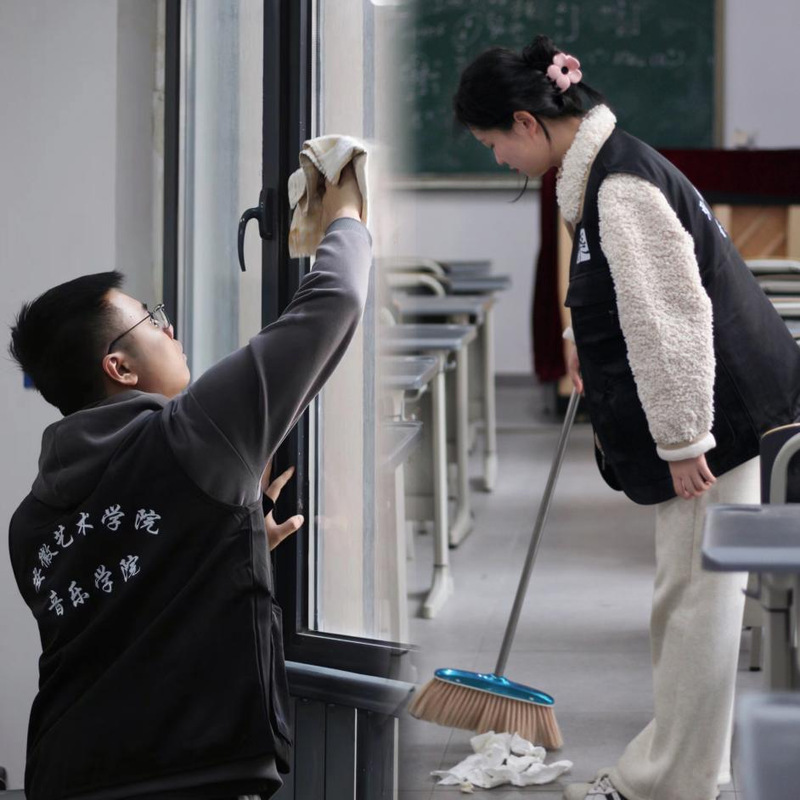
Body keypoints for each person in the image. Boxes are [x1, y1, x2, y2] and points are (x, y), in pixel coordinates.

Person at [453, 34, 800, 800]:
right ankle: (686, 772)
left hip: (723, 416)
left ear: (527, 122)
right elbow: (625, 286)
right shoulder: (607, 168)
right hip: (730, 406)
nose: (499, 160)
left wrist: (684, 439)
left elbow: (671, 319)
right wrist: (580, 336)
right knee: (692, 598)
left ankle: (669, 782)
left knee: (694, 602)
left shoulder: (619, 187)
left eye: (493, 144)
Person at [8, 168, 369, 800]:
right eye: (152, 319)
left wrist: (228, 545)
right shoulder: (195, 431)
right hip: (189, 771)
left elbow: (123, 607)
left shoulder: (28, 521)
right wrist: (347, 213)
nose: (170, 329)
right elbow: (333, 301)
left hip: (62, 772)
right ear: (119, 366)